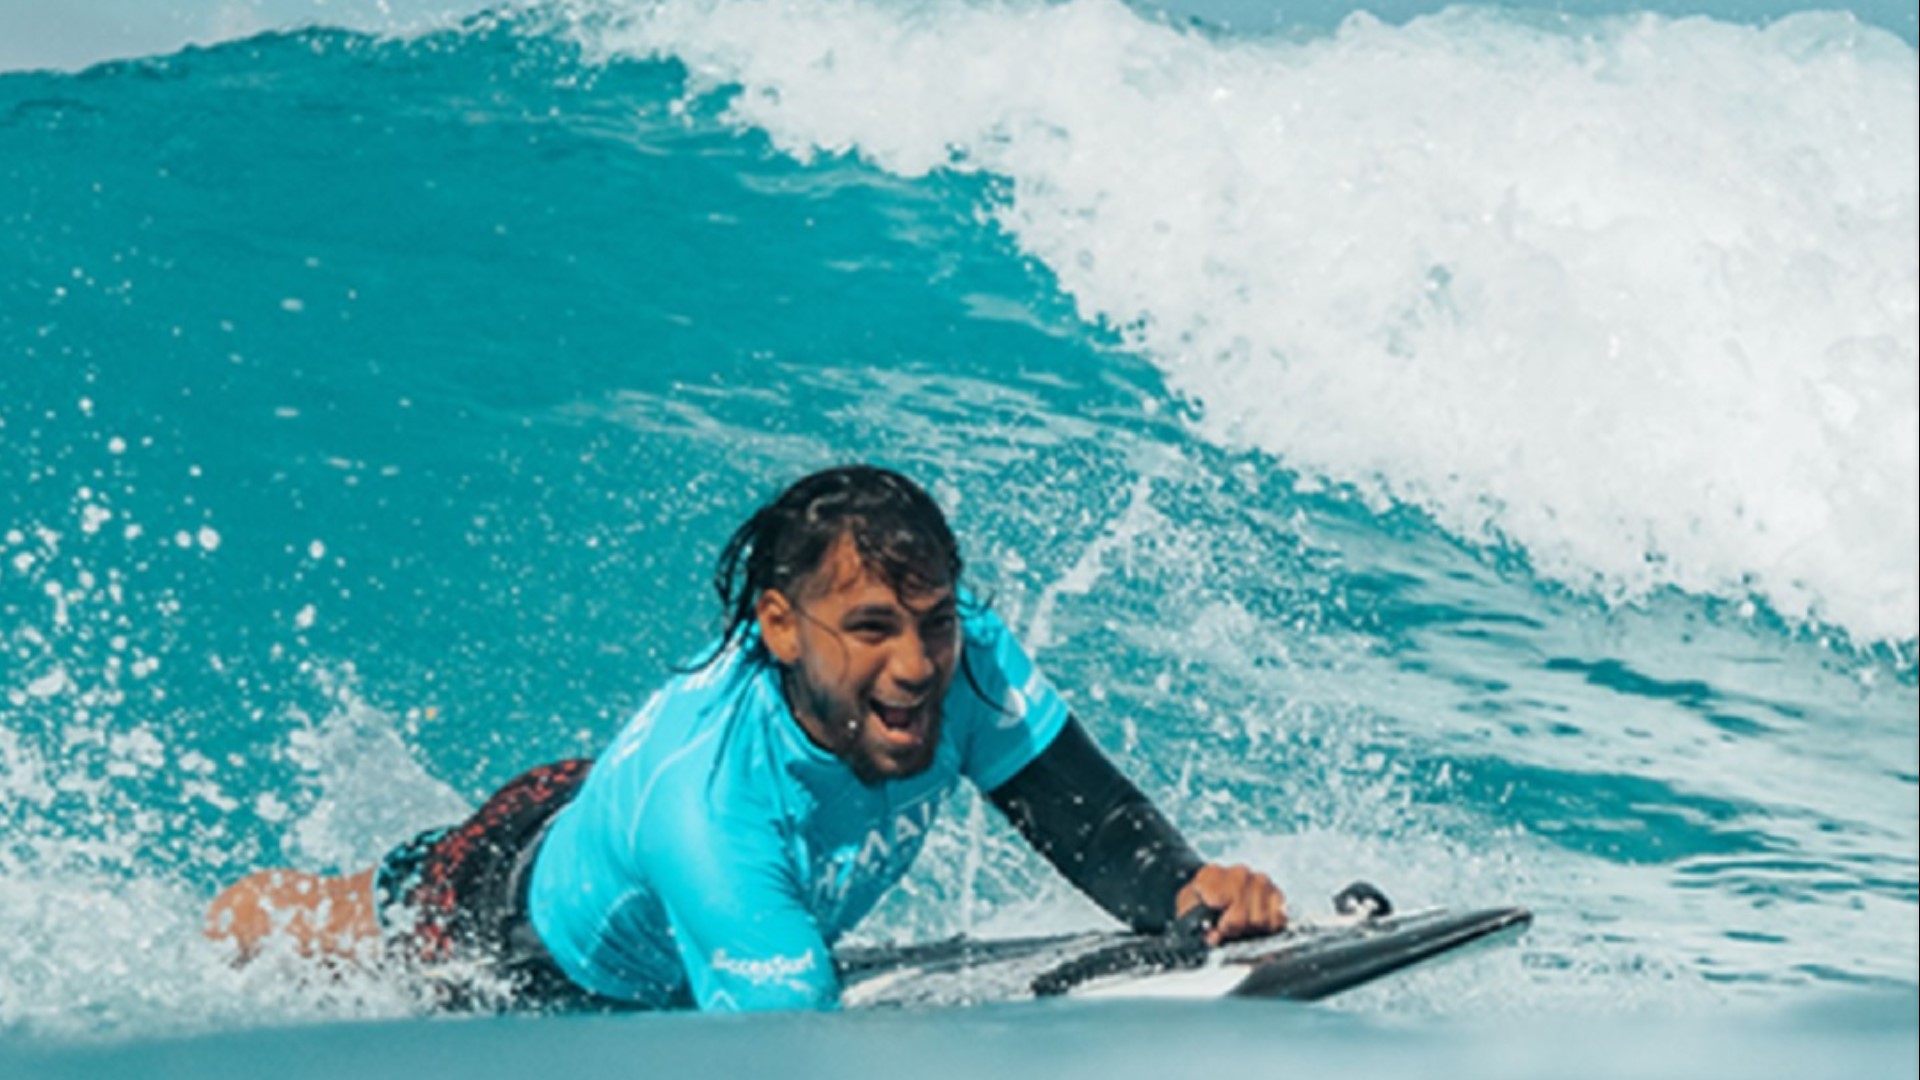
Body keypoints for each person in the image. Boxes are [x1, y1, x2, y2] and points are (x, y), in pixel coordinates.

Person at [206, 465, 1286, 1011]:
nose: (915, 666)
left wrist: (1186, 890)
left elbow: (1087, 821)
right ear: (778, 624)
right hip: (513, 928)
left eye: (935, 622)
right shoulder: (714, 823)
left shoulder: (964, 661)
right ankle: (242, 910)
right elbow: (787, 1055)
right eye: (871, 628)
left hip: (622, 819)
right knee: (355, 929)